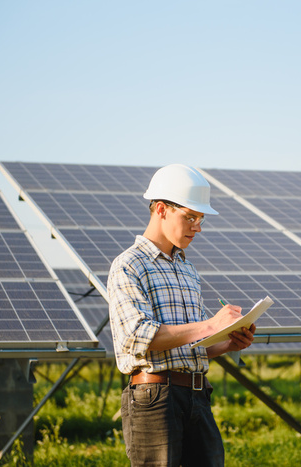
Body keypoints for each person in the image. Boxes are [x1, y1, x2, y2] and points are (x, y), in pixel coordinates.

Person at [108, 163, 256, 467]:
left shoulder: (187, 269)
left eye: (200, 219)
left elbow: (191, 345)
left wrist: (227, 343)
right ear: (161, 209)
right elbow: (138, 336)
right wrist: (212, 323)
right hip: (155, 399)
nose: (197, 227)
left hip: (197, 397)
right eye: (190, 217)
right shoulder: (128, 265)